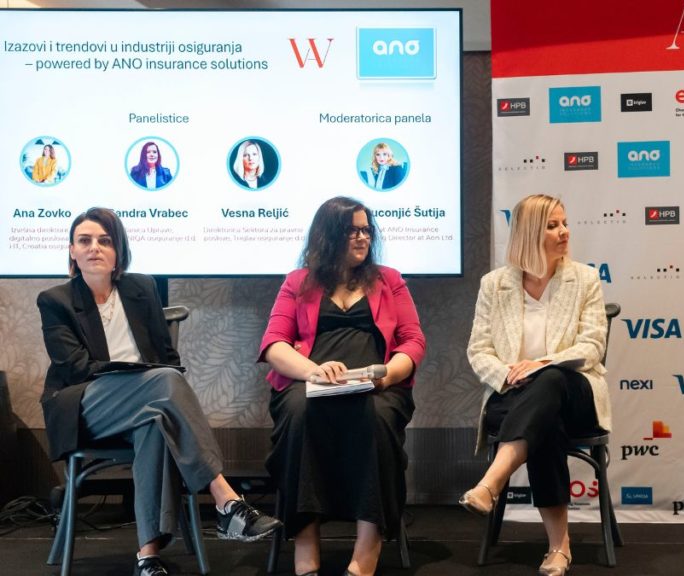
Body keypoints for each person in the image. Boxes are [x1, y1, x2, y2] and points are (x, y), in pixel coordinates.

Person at [37, 208, 282, 576]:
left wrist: (150, 379)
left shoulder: (141, 289)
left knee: (155, 422)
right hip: (86, 407)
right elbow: (76, 368)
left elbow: (168, 357)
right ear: (72, 250)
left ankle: (147, 557)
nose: (94, 248)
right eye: (84, 241)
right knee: (163, 381)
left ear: (119, 250)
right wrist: (139, 377)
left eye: (105, 240)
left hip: (148, 405)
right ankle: (226, 499)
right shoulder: (54, 300)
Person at [259, 196, 426, 576]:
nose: (362, 237)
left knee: (377, 417)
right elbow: (274, 344)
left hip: (377, 385)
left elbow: (413, 341)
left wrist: (386, 374)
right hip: (311, 381)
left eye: (366, 230)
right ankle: (305, 545)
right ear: (328, 235)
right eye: (352, 231)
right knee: (299, 413)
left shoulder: (390, 280)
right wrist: (313, 371)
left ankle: (367, 546)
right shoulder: (298, 282)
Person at [462, 194, 611, 576]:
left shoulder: (584, 279)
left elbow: (592, 347)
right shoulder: (494, 285)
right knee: (544, 423)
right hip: (511, 395)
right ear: (529, 233)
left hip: (573, 391)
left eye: (564, 223)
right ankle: (559, 547)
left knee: (550, 382)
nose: (564, 232)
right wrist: (507, 375)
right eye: (552, 225)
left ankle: (491, 482)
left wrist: (541, 365)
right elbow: (479, 350)